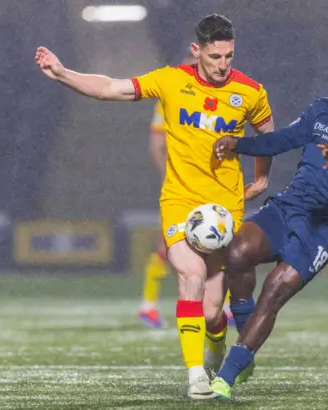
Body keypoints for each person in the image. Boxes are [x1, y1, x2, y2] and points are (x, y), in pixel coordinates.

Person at [35, 14, 274, 399]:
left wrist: (262, 177)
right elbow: (112, 87)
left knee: (215, 311)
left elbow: (267, 133)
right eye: (214, 56)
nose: (222, 64)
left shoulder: (249, 91)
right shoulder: (170, 80)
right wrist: (63, 73)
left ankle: (214, 351)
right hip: (180, 202)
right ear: (197, 52)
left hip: (225, 209)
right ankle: (196, 375)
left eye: (228, 55)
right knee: (190, 276)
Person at [209, 49, 328, 399]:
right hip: (290, 206)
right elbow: (282, 140)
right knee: (236, 251)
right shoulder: (320, 111)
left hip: (325, 226)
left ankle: (225, 378)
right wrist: (239, 144)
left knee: (274, 290)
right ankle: (245, 336)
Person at [138, 56, 236, 329]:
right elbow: (157, 142)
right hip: (181, 185)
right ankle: (148, 305)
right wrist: (168, 177)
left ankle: (222, 304)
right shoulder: (172, 95)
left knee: (219, 240)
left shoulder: (225, 95)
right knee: (170, 244)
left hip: (213, 183)